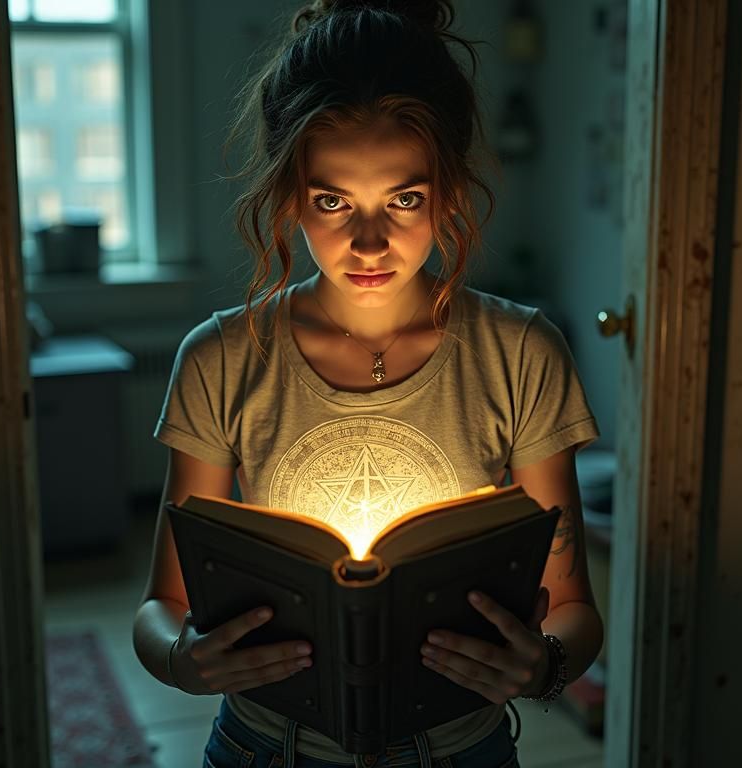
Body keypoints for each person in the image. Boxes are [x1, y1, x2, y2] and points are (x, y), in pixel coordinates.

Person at [132, 1, 604, 765]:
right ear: (290, 196)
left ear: (449, 192)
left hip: (459, 749)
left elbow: (574, 609)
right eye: (333, 201)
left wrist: (542, 665)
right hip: (264, 746)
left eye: (404, 199)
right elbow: (163, 606)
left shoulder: (522, 353)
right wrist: (183, 663)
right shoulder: (219, 359)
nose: (370, 240)